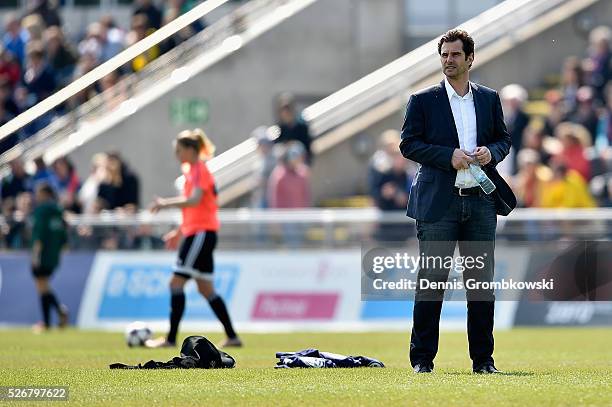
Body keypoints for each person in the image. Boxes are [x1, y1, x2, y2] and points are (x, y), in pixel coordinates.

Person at [399, 29, 515, 374]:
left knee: (481, 286)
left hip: (480, 200)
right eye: (444, 55)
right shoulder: (422, 100)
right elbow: (409, 145)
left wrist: (489, 153)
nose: (448, 60)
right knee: (432, 283)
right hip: (439, 203)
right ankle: (422, 361)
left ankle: (483, 362)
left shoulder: (489, 99)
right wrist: (446, 155)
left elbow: (503, 140)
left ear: (470, 58)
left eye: (455, 55)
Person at [146, 129, 241, 349]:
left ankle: (170, 340)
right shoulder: (193, 172)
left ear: (190, 149)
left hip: (200, 234)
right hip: (201, 233)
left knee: (175, 283)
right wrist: (178, 232)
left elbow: (194, 201)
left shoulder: (199, 170)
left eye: (179, 150)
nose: (177, 155)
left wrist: (164, 204)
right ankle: (232, 336)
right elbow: (196, 210)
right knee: (205, 289)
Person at [31, 182, 69, 332]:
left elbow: (39, 235)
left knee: (41, 286)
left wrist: (35, 255)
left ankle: (51, 318)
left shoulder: (41, 211)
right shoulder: (58, 210)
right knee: (44, 286)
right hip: (54, 255)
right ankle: (54, 316)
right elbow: (64, 234)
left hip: (43, 254)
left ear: (44, 194)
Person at [274, 94, 313, 164]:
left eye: (287, 109)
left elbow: (306, 146)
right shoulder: (281, 127)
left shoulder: (302, 126)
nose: (285, 113)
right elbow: (278, 143)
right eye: (283, 110)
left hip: (300, 161)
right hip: (287, 162)